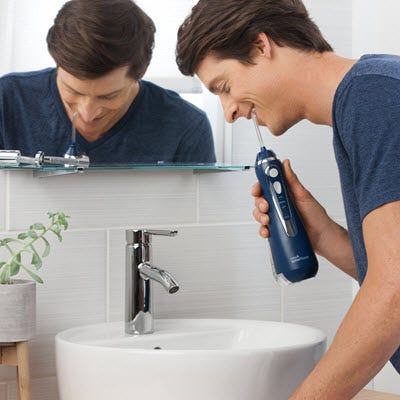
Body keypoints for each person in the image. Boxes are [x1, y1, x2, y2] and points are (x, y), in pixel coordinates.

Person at [176, 0, 400, 398]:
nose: (228, 113)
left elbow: (395, 290)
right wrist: (323, 234)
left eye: (224, 87)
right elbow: (388, 272)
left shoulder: (374, 97)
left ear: (261, 46)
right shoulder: (366, 98)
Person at [0, 0, 216, 164]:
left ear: (141, 73)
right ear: (57, 62)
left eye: (108, 96)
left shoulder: (185, 127)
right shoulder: (6, 100)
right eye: (72, 91)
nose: (87, 113)